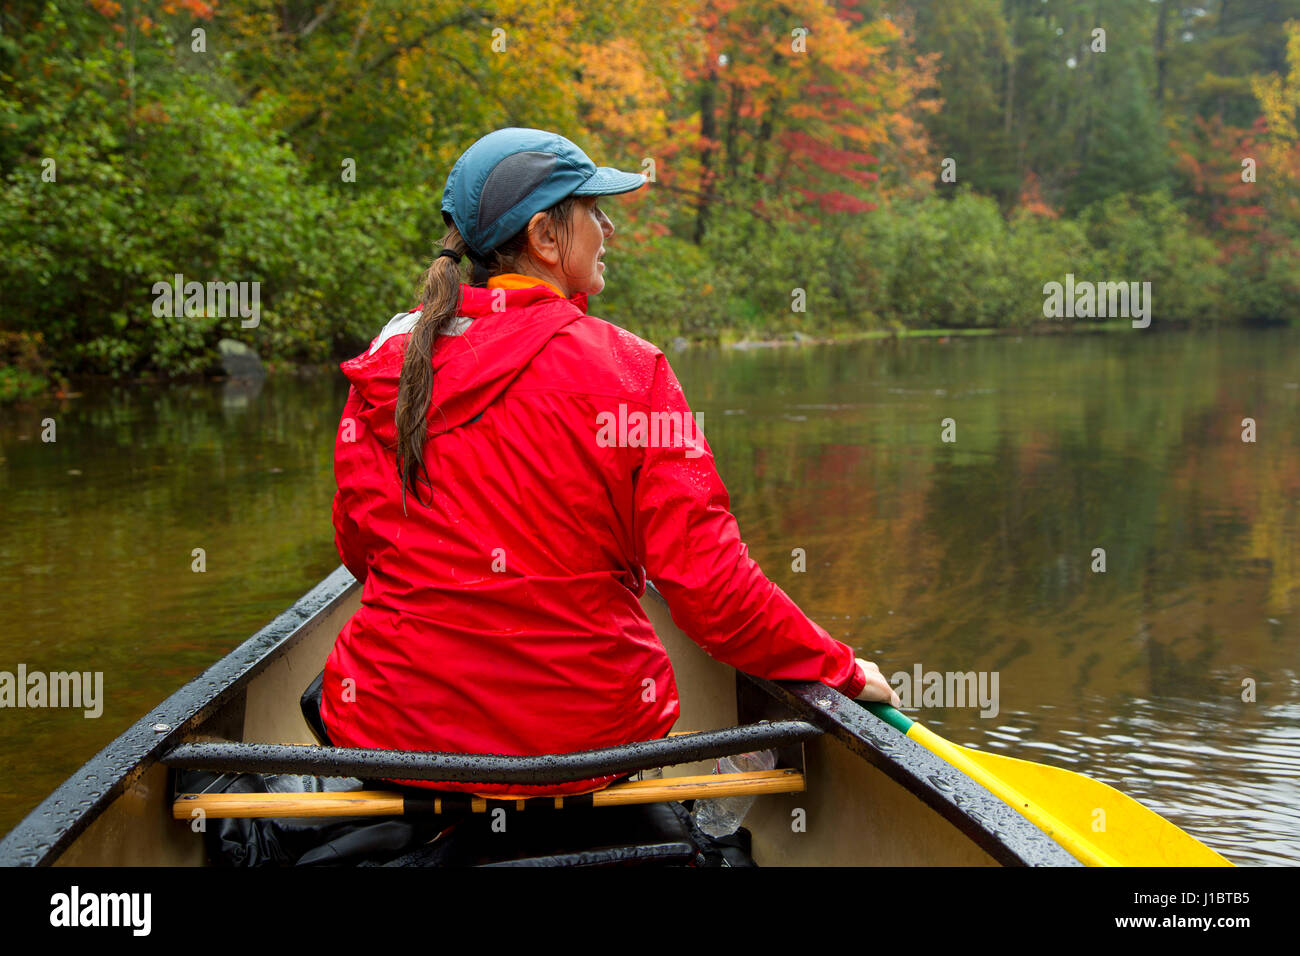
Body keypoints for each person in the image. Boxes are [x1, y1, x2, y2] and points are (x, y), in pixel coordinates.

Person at [322, 127, 900, 798]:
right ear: (543, 236)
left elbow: (361, 551)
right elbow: (712, 589)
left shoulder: (391, 360)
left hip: (395, 732)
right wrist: (839, 669)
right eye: (593, 211)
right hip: (581, 746)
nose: (608, 228)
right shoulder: (629, 369)